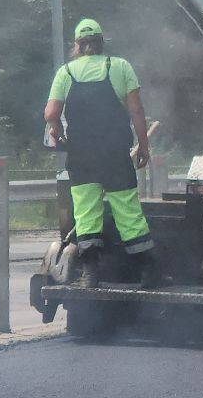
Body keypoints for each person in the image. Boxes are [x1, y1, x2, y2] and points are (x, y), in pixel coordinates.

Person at [44, 19, 160, 287]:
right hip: (114, 154)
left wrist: (54, 129)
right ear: (101, 43)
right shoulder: (118, 66)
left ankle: (90, 275)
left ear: (77, 45)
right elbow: (137, 111)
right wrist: (143, 145)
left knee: (86, 214)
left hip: (81, 157)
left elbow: (51, 113)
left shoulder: (66, 72)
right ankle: (148, 273)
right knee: (128, 213)